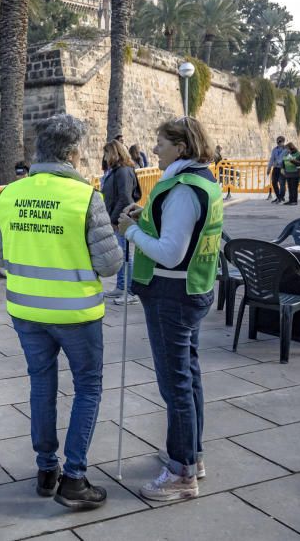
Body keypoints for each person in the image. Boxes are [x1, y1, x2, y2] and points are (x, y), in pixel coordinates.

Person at [0, 114, 122, 510]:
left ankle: (46, 469)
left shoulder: (11, 194)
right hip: (77, 314)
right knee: (87, 387)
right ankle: (75, 478)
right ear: (73, 152)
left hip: (26, 309)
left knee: (41, 385)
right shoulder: (85, 198)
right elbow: (111, 264)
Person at [118, 116, 223, 502]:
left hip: (172, 295)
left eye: (160, 143)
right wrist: (143, 216)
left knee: (175, 383)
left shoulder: (181, 189)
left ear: (181, 147)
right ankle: (190, 457)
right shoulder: (202, 181)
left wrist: (128, 231)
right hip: (191, 289)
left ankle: (181, 474)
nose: (155, 149)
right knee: (188, 376)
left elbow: (170, 251)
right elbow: (175, 232)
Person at [101, 140, 139, 305]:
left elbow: (124, 198)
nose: (105, 156)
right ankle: (121, 286)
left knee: (124, 256)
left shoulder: (123, 171)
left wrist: (114, 219)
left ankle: (130, 291)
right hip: (117, 217)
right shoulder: (117, 170)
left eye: (107, 153)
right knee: (121, 254)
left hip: (119, 219)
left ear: (114, 153)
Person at [266, 136, 287, 203]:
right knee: (274, 182)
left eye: (280, 141)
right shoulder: (274, 150)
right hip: (275, 168)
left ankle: (281, 197)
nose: (278, 142)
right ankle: (278, 197)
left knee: (282, 183)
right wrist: (269, 168)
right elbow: (272, 159)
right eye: (277, 141)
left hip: (283, 168)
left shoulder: (286, 150)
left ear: (283, 142)